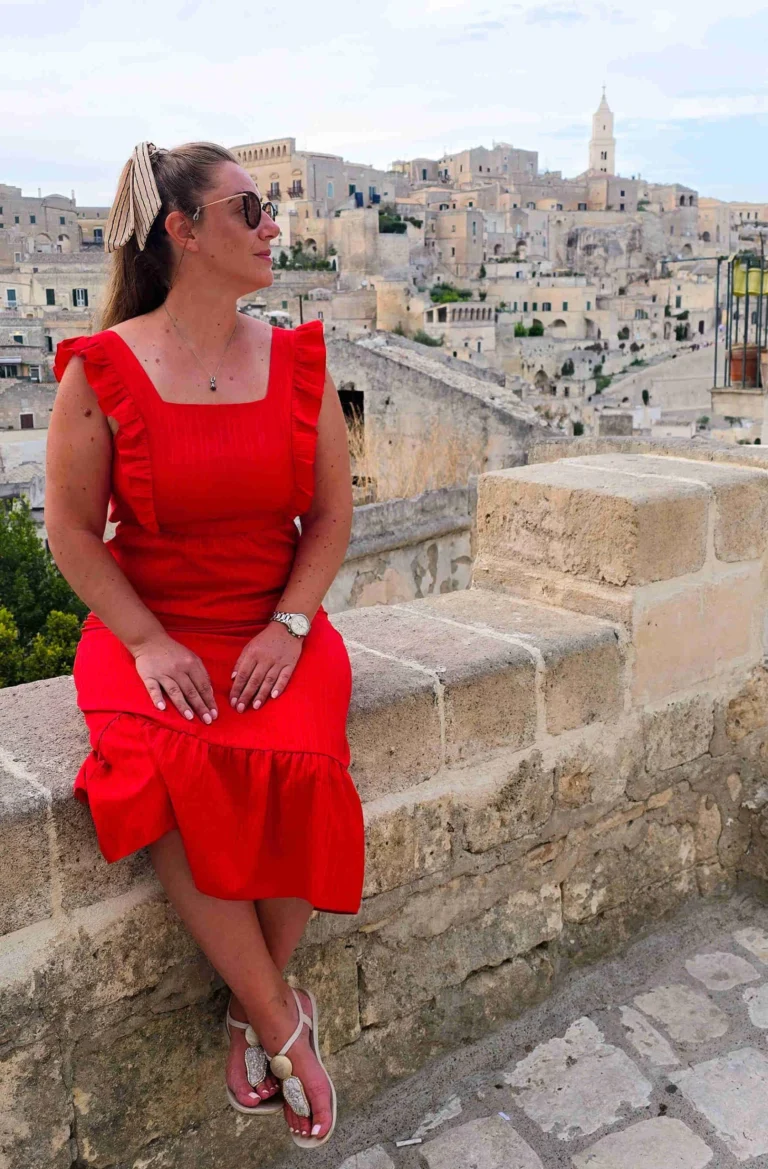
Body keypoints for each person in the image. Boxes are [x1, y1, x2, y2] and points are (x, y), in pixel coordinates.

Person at [44, 141, 365, 1149]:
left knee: (303, 767)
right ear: (182, 231)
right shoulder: (103, 370)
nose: (274, 225)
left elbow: (333, 515)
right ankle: (282, 1020)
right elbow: (68, 531)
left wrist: (292, 621)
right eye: (251, 208)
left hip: (277, 623)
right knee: (166, 762)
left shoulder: (299, 360)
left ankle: (249, 1011)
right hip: (155, 630)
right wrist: (142, 639)